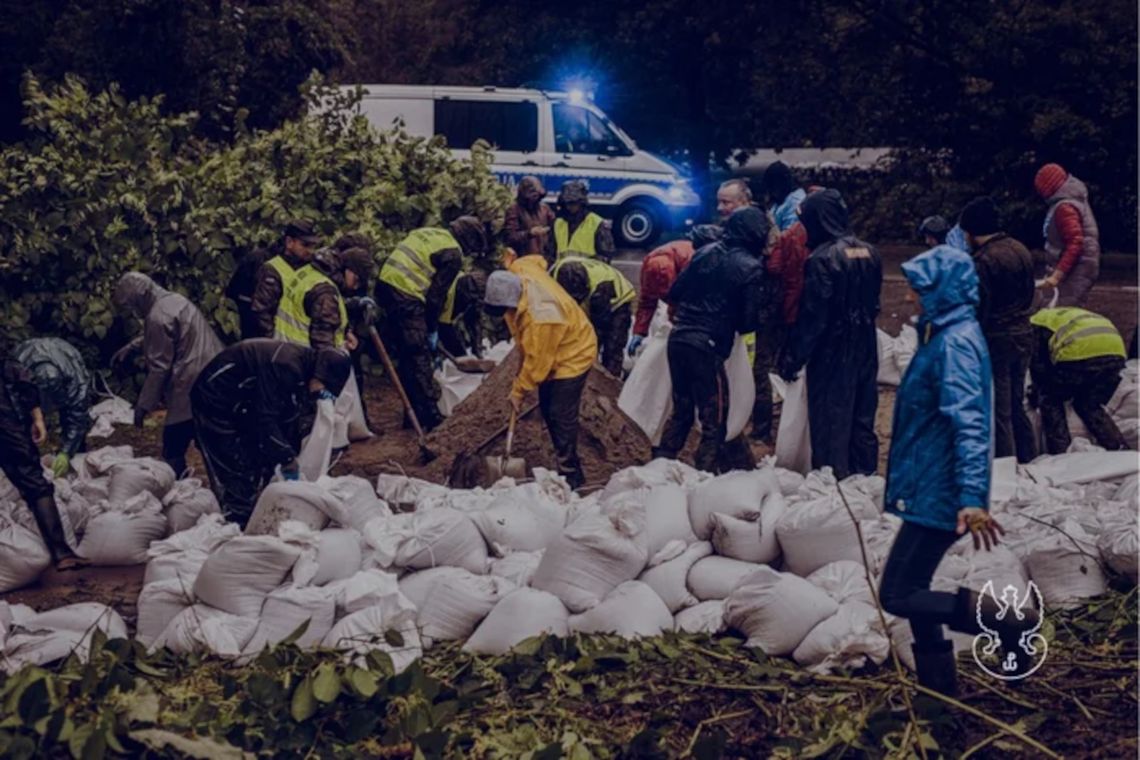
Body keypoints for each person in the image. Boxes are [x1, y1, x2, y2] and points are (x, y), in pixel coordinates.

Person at [878, 244, 1036, 696]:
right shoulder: (943, 333)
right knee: (914, 589)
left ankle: (1006, 622)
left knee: (897, 594)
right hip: (932, 484)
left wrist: (970, 498)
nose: (910, 297)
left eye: (919, 289)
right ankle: (939, 691)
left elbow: (971, 424)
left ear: (943, 289)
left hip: (943, 492)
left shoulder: (955, 344)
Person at [655, 207, 769, 472]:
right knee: (714, 420)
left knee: (681, 411)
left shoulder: (705, 252)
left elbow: (675, 291)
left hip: (679, 339)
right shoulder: (750, 268)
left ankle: (660, 465)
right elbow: (748, 322)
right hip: (707, 348)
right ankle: (703, 476)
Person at [191, 340, 351, 526]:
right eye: (324, 386)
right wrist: (286, 458)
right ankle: (238, 523)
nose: (321, 393)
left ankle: (252, 510)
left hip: (243, 401)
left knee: (256, 458)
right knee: (233, 463)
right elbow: (265, 418)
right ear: (321, 374)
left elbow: (285, 416)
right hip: (215, 399)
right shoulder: (284, 366)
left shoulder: (304, 369)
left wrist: (286, 451)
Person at [779, 189, 882, 479]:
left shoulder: (821, 259)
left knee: (831, 419)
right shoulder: (869, 252)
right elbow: (874, 303)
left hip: (833, 350)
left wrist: (794, 357)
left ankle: (833, 484)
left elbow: (814, 317)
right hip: (866, 343)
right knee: (862, 416)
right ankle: (865, 478)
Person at [484, 267, 597, 488]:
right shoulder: (521, 278)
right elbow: (529, 261)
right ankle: (557, 455)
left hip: (574, 352)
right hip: (556, 342)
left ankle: (572, 475)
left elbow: (538, 365)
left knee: (559, 413)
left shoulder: (542, 317)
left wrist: (518, 391)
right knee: (547, 407)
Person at [375, 217, 488, 431]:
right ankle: (431, 417)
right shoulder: (453, 254)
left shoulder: (432, 234)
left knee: (408, 357)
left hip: (386, 285)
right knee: (419, 356)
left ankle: (413, 416)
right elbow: (435, 298)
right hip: (406, 293)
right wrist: (431, 331)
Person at [112, 272, 224, 478]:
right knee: (209, 439)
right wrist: (133, 346)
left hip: (189, 382)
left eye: (132, 306)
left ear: (140, 298)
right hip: (212, 371)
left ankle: (181, 489)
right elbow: (169, 335)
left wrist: (143, 405)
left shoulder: (157, 316)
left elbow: (159, 368)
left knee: (174, 444)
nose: (134, 312)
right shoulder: (174, 300)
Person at [958, 197, 1037, 462]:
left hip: (997, 339)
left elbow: (978, 308)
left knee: (999, 410)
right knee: (1017, 405)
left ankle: (1005, 465)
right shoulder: (1020, 249)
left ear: (972, 231)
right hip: (1024, 333)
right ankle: (1029, 459)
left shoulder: (982, 261)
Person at [0, 357, 85, 570]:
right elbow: (24, 382)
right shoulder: (7, 361)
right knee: (36, 487)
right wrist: (37, 419)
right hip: (9, 428)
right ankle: (61, 552)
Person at [1029, 307, 1128, 454]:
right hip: (1115, 353)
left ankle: (1061, 455)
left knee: (1051, 400)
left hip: (1079, 354)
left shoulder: (1035, 324)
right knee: (1089, 404)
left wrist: (1036, 393)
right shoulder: (1059, 316)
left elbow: (1039, 366)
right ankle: (1119, 450)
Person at [628, 225, 722, 357]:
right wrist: (639, 331)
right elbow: (647, 301)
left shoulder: (694, 262)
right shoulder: (651, 268)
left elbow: (684, 300)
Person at [12, 338, 92, 478]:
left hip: (65, 353)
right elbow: (14, 407)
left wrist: (66, 452)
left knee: (72, 419)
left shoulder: (74, 379)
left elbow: (78, 415)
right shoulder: (17, 372)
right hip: (27, 364)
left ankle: (76, 454)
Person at [274, 247, 373, 351]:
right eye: (357, 280)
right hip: (303, 359)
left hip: (284, 351)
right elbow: (323, 345)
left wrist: (345, 332)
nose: (355, 287)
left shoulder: (309, 272)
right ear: (348, 270)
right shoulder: (326, 292)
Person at [552, 255, 636, 376]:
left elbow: (598, 326)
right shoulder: (557, 273)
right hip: (594, 297)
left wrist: (590, 353)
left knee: (612, 347)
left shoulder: (602, 289)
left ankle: (611, 382)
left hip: (617, 304)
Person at [1035, 163, 1101, 307]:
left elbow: (1075, 243)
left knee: (1064, 312)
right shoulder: (1067, 203)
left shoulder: (1065, 208)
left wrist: (1057, 276)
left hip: (1075, 270)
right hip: (1074, 268)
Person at [249, 220, 322, 338]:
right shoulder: (273, 269)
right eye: (305, 245)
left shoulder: (313, 267)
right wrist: (272, 341)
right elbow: (261, 311)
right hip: (280, 344)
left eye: (313, 246)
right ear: (289, 242)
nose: (310, 251)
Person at [552, 180, 615, 262]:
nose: (569, 207)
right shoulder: (558, 224)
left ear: (581, 203)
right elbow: (551, 253)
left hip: (588, 273)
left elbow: (606, 256)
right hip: (561, 273)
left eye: (573, 203)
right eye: (566, 203)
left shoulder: (597, 224)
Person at [438, 270, 488, 357]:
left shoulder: (473, 292)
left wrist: (477, 347)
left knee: (460, 354)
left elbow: (473, 320)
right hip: (424, 313)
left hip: (446, 320)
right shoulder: (446, 289)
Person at [505, 176, 556, 261]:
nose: (534, 199)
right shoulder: (514, 210)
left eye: (537, 196)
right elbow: (509, 237)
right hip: (522, 260)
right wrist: (529, 233)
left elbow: (555, 226)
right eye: (532, 196)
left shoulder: (544, 208)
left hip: (543, 258)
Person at [761, 161, 806, 232]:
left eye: (771, 189)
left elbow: (791, 236)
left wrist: (772, 225)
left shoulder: (795, 202)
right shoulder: (780, 200)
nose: (771, 193)